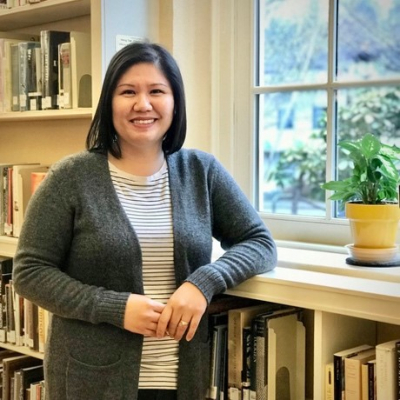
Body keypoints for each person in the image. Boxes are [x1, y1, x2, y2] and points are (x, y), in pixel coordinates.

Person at [12, 41, 277, 400]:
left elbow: (258, 242)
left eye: (156, 91)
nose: (143, 104)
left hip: (180, 378)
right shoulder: (70, 178)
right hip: (92, 381)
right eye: (128, 92)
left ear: (175, 102)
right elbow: (30, 273)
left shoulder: (201, 171)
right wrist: (115, 308)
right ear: (109, 102)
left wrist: (203, 283)